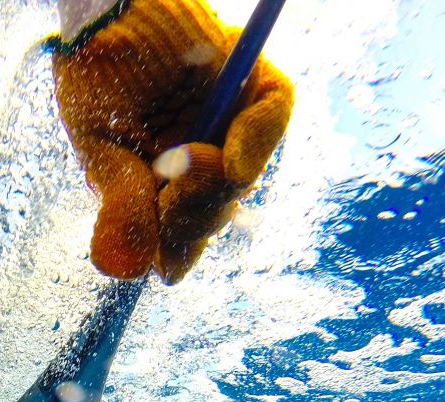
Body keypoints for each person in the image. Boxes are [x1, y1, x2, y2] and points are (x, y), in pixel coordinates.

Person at [48, 0, 294, 284]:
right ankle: (141, 233)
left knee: (129, 180)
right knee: (132, 180)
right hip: (154, 35)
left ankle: (139, 233)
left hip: (94, 68)